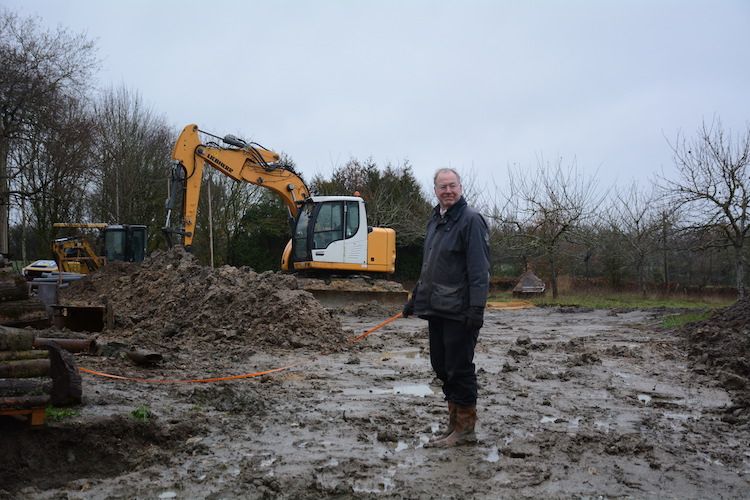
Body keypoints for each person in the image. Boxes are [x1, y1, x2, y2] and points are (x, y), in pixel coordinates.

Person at [402, 167, 490, 447]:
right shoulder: (435, 220)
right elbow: (429, 266)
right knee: (441, 366)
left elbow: (479, 270)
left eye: (452, 185)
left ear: (460, 188)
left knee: (459, 368)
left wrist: (476, 309)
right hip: (436, 308)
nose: (448, 191)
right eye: (443, 187)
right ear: (435, 190)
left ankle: (465, 430)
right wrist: (416, 297)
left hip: (460, 311)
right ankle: (454, 424)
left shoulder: (471, 220)